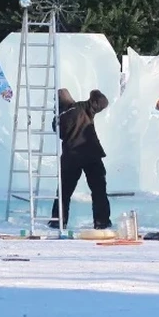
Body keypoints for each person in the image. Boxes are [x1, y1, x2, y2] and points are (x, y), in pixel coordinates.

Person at [50, 88, 112, 230]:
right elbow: (103, 102)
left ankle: (58, 220)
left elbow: (58, 132)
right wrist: (94, 93)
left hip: (71, 157)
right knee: (98, 190)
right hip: (91, 154)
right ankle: (101, 221)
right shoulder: (83, 107)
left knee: (64, 192)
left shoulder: (58, 119)